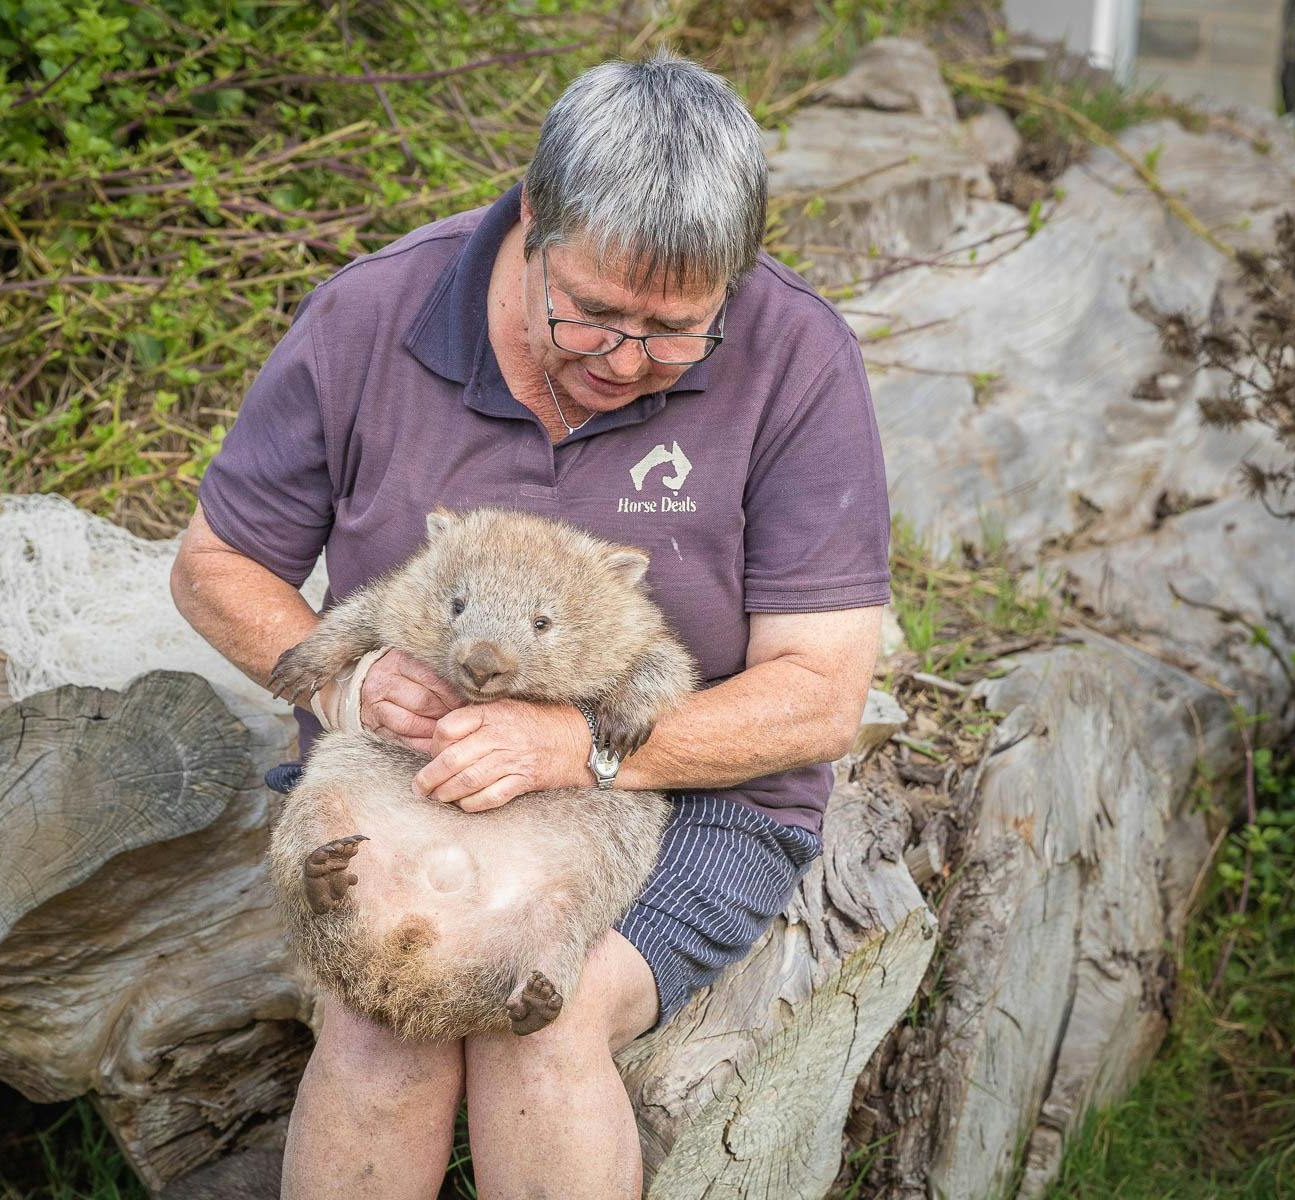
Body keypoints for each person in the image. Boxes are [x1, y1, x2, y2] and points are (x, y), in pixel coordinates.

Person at [169, 48, 890, 1200]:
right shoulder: (373, 314)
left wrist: (590, 748)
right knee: (373, 1020)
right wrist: (344, 689)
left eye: (673, 331)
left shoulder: (796, 356)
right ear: (534, 216)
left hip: (689, 798)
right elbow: (217, 564)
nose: (625, 358)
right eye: (595, 313)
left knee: (541, 1021)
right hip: (402, 769)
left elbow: (820, 692)